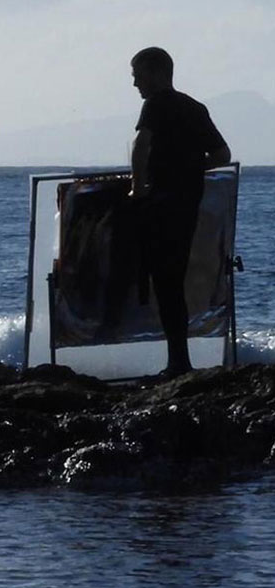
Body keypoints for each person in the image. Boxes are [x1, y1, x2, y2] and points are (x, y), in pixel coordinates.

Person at [129, 46, 231, 377]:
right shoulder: (194, 108)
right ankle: (180, 359)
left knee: (163, 283)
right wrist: (191, 167)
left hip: (160, 206)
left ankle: (178, 362)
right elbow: (222, 155)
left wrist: (138, 186)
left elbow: (141, 145)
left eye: (138, 75)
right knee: (172, 282)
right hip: (187, 207)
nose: (135, 84)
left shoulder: (155, 105)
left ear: (158, 74)